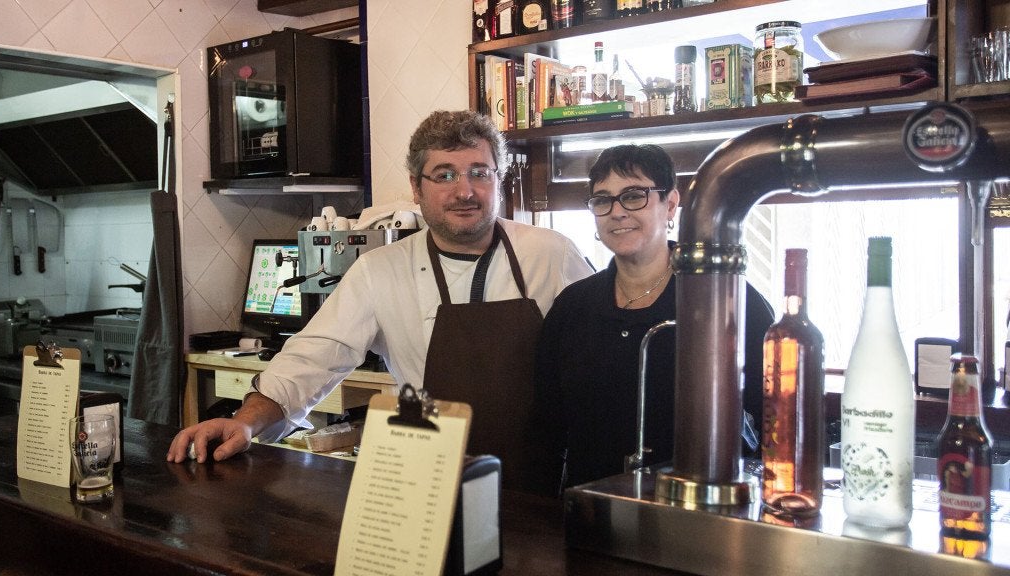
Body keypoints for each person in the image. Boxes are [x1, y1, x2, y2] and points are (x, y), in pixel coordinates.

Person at [168, 110, 593, 492]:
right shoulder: (381, 270)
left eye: (480, 172)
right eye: (444, 175)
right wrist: (245, 421)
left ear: (497, 179)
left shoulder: (550, 254)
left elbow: (599, 357)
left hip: (541, 483)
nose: (465, 191)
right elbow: (310, 360)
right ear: (416, 187)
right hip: (431, 484)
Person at [534, 144, 774, 495]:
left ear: (671, 204)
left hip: (695, 514)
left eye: (633, 196)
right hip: (591, 515)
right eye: (603, 200)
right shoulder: (573, 307)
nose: (617, 212)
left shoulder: (727, 302)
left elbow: (771, 419)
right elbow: (547, 427)